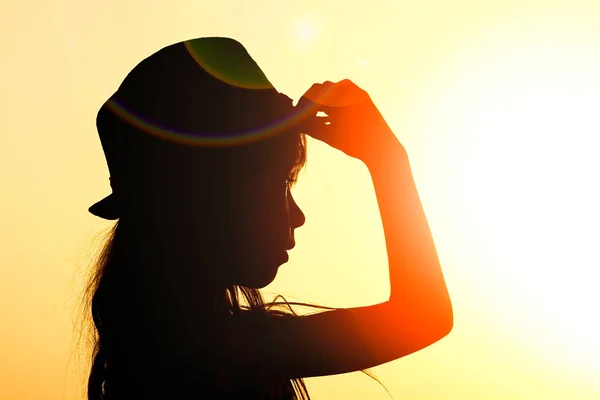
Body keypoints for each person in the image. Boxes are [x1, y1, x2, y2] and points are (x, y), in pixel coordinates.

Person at [81, 37, 453, 400]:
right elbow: (421, 316)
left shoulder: (151, 346)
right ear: (214, 197)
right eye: (281, 182)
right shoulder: (223, 354)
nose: (298, 216)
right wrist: (387, 158)